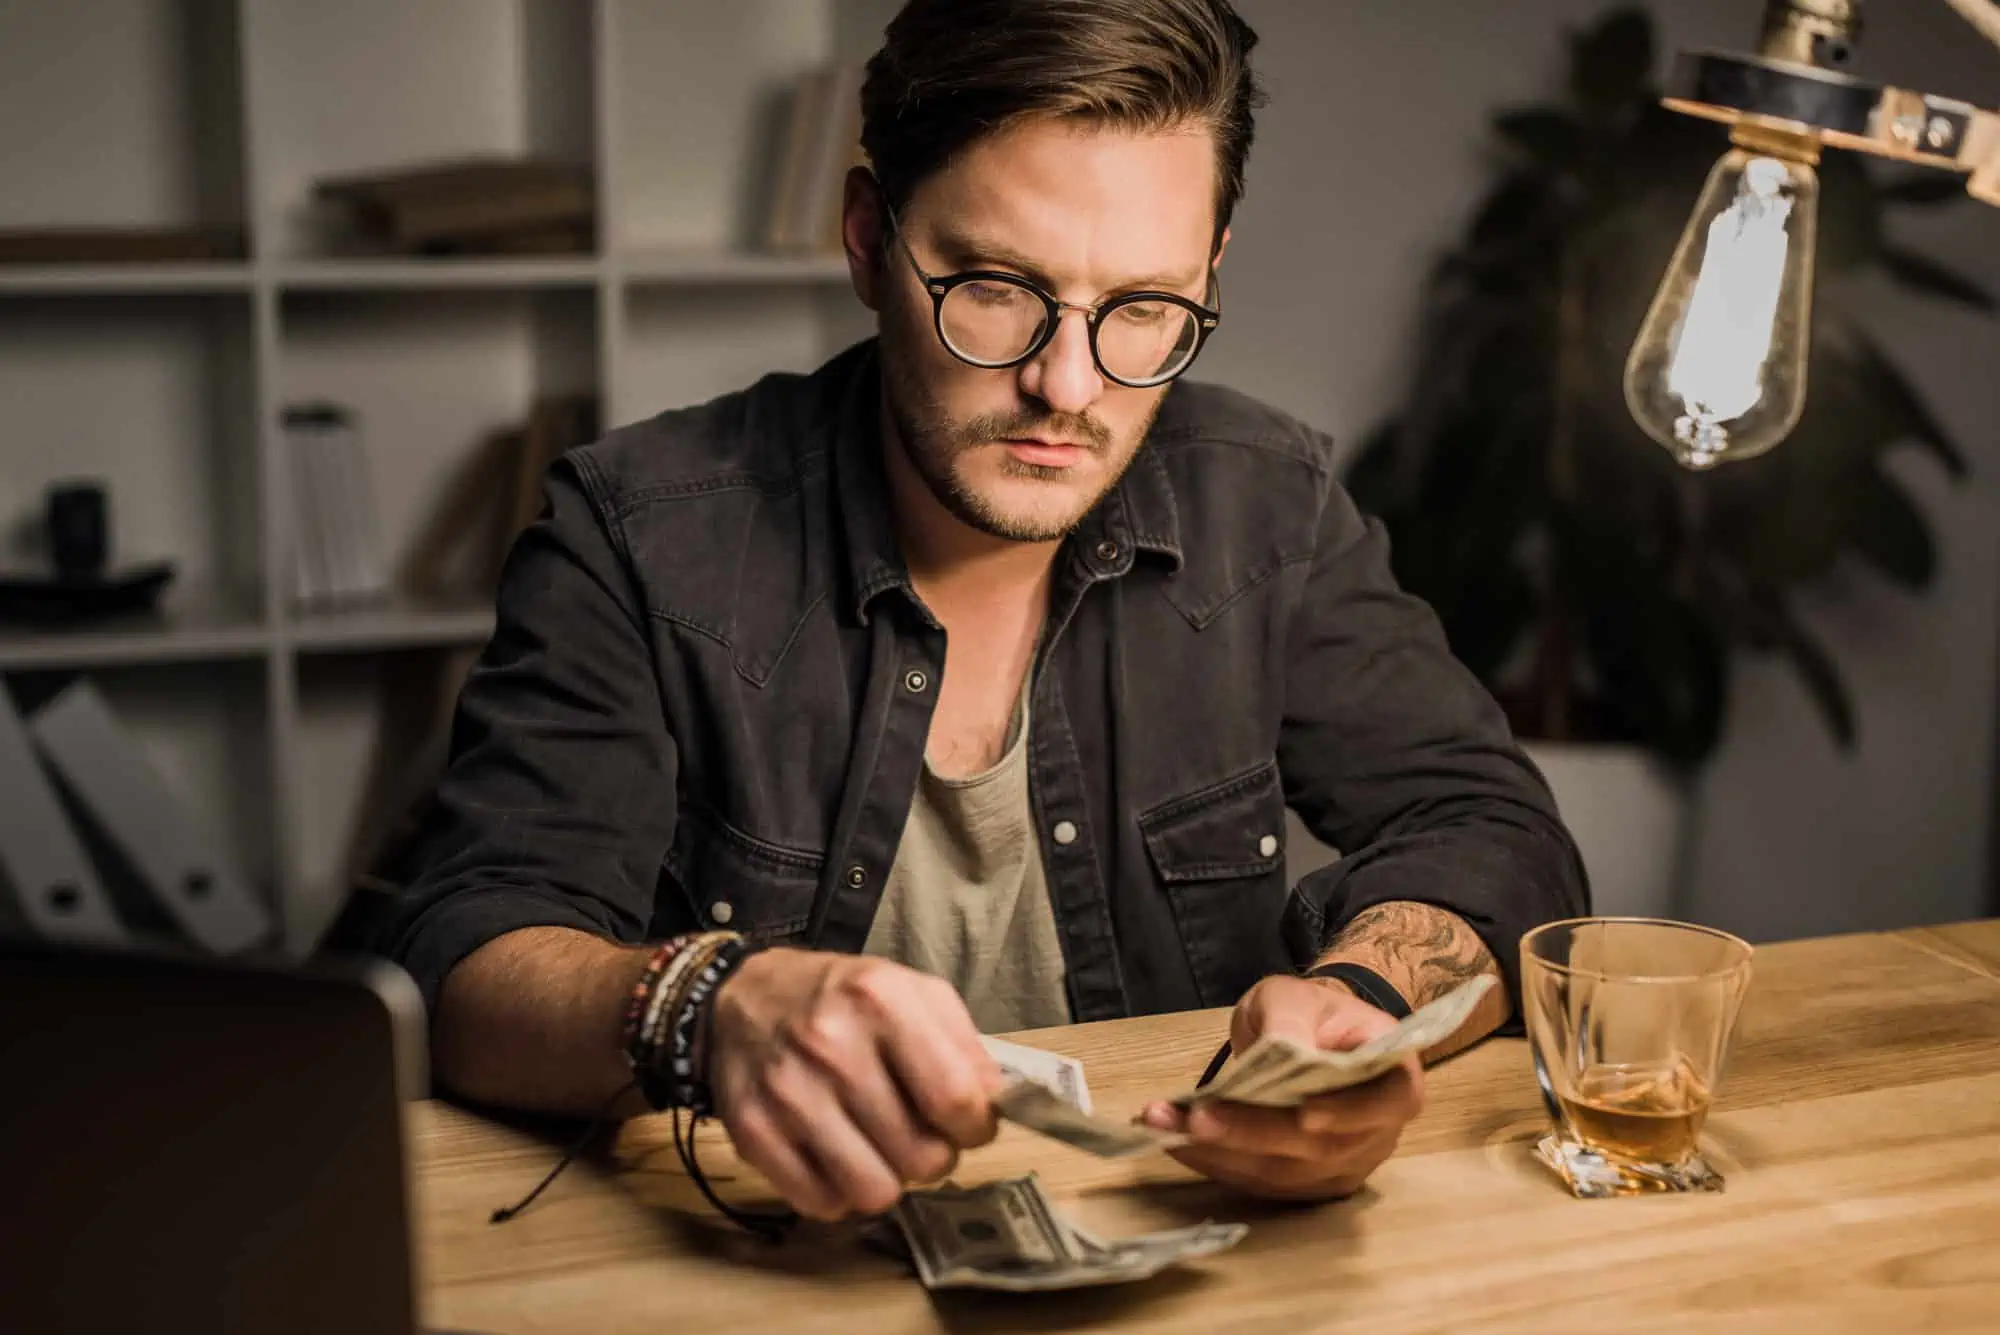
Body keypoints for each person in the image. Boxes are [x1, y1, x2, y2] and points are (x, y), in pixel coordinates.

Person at [380, 0, 1587, 1221]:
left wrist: (1366, 1007)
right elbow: (469, 953)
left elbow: (1493, 831)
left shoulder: (1265, 502)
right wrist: (710, 1004)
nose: (1067, 387)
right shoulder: (636, 534)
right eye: (997, 289)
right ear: (866, 240)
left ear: (1208, 269)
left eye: (1144, 308)